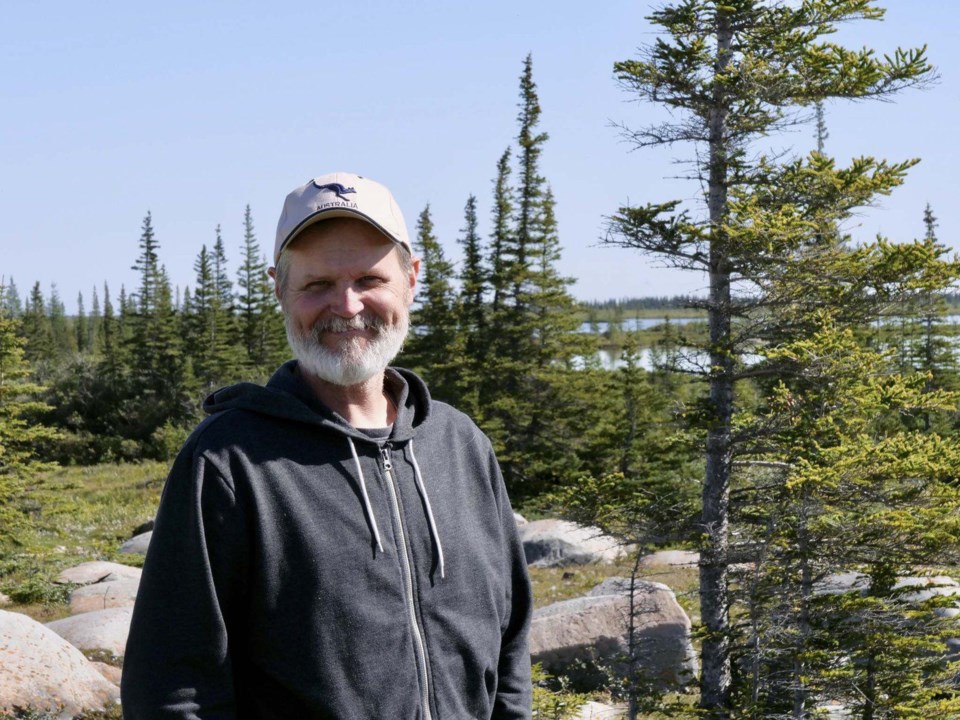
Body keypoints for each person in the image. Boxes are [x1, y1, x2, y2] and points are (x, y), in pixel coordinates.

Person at [121, 172, 533, 719]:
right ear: (278, 288)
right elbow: (174, 687)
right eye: (316, 284)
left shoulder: (459, 445)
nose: (347, 304)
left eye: (369, 278)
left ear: (411, 279)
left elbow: (509, 648)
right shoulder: (228, 460)